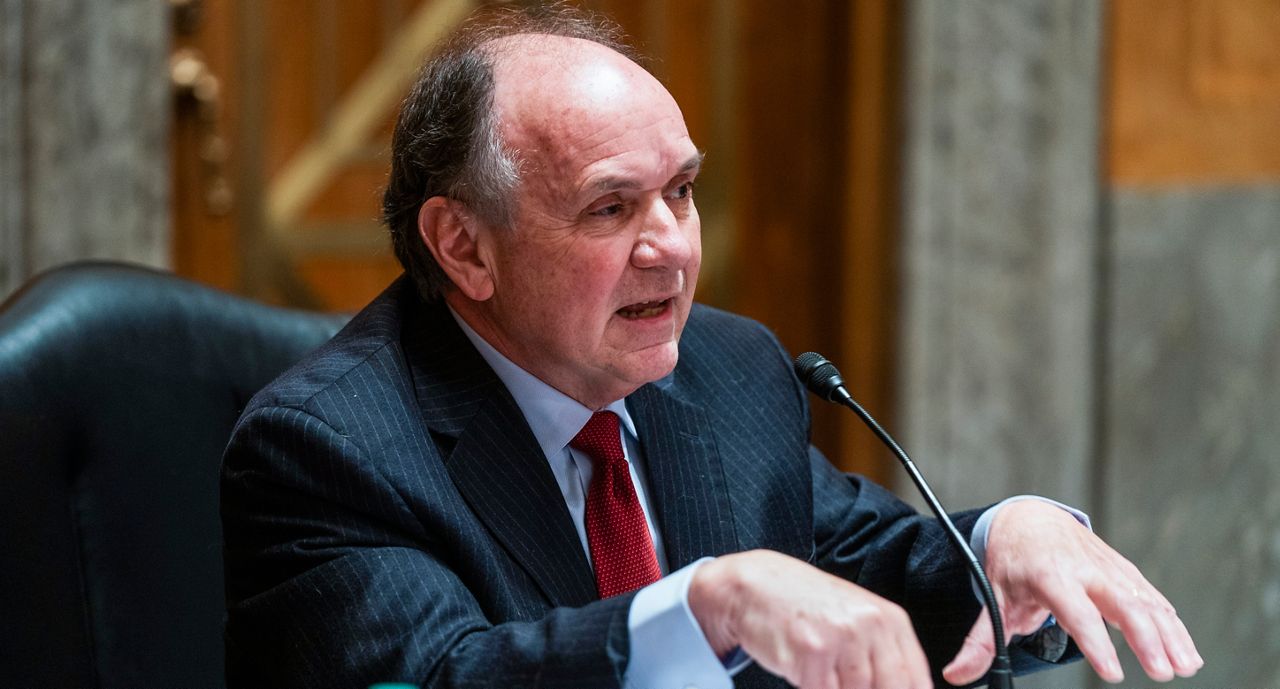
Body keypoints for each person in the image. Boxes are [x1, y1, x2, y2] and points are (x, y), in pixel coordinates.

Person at [221, 6, 1202, 689]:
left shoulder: (726, 370)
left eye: (680, 192)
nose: (670, 246)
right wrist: (699, 606)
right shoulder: (329, 448)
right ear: (463, 246)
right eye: (611, 206)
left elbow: (866, 576)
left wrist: (998, 544)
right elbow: (447, 672)